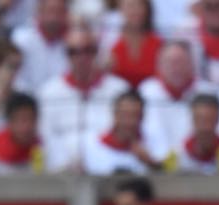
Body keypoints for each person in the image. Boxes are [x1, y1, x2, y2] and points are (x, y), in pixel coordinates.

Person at [38, 27, 130, 172]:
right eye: (73, 52)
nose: (81, 58)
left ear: (97, 52)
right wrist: (65, 165)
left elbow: (127, 135)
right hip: (63, 173)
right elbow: (46, 138)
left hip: (110, 171)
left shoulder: (119, 90)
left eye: (88, 50)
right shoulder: (48, 93)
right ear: (66, 55)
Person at [139, 39, 201, 152]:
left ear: (192, 64)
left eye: (180, 62)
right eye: (169, 62)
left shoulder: (205, 92)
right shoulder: (146, 92)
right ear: (159, 65)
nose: (175, 68)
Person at [83, 89, 159, 174]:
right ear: (114, 114)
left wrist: (150, 163)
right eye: (124, 115)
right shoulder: (93, 145)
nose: (129, 122)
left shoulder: (153, 144)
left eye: (135, 115)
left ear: (142, 117)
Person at [164, 91, 219, 172]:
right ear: (192, 119)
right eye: (200, 120)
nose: (205, 127)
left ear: (218, 119)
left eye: (210, 120)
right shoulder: (177, 155)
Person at [107, 0, 163, 86]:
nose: (135, 11)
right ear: (121, 9)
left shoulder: (159, 42)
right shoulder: (109, 41)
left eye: (139, 5)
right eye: (130, 6)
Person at [0, 88, 41, 172]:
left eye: (31, 119)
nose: (27, 127)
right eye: (22, 120)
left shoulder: (41, 147)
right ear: (10, 122)